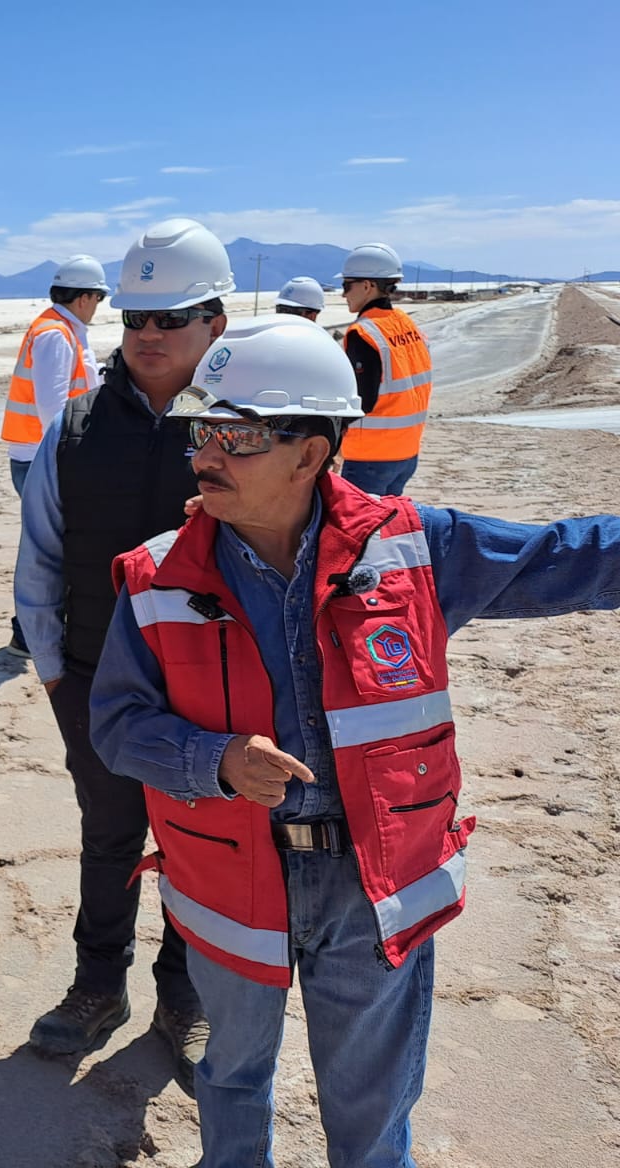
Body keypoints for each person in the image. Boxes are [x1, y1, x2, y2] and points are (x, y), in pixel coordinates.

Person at [91, 313, 620, 1165]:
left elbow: (568, 558)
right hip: (231, 878)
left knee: (371, 1104)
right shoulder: (158, 577)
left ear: (310, 453)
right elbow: (118, 725)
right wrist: (214, 760)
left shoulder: (416, 548)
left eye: (237, 436)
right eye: (201, 432)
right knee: (231, 1076)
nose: (205, 457)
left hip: (374, 887)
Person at [14, 217, 230, 1088]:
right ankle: (98, 986)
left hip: (212, 687)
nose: (148, 335)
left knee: (200, 842)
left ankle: (185, 994)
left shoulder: (241, 430)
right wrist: (53, 669)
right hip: (95, 678)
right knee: (109, 836)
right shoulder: (74, 429)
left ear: (215, 324)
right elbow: (40, 558)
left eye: (171, 319)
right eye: (137, 318)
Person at [0, 254, 108, 656]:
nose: (97, 306)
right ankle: (29, 634)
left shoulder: (64, 330)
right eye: (98, 298)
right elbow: (54, 408)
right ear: (83, 297)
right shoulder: (55, 335)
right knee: (51, 549)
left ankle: (34, 632)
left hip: (42, 456)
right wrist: (70, 459)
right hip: (43, 458)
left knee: (56, 546)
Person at [337, 242, 432, 495]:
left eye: (346, 285)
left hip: (370, 457)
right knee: (388, 518)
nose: (344, 294)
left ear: (367, 286)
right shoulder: (407, 324)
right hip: (406, 453)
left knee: (359, 519)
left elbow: (361, 401)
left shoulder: (363, 333)